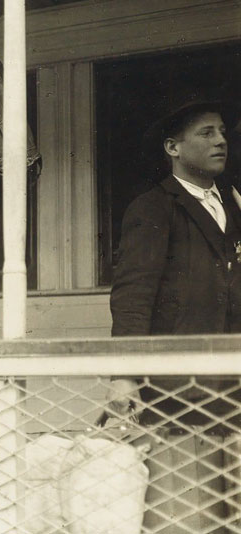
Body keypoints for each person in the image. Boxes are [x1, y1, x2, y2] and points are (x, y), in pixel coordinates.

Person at [108, 96, 241, 533]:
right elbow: (133, 297)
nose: (221, 141)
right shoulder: (153, 207)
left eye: (222, 132)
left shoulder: (234, 203)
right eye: (206, 133)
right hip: (178, 387)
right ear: (173, 148)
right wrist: (124, 375)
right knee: (187, 511)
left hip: (234, 380)